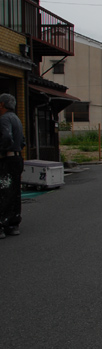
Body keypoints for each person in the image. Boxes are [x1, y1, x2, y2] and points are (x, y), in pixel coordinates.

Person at [0, 93, 26, 239]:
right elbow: (22, 141)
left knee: (4, 190)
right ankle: (13, 224)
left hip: (7, 159)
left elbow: (6, 136)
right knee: (15, 191)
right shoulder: (16, 119)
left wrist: (2, 150)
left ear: (1, 104)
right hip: (17, 159)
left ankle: (2, 224)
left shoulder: (4, 119)